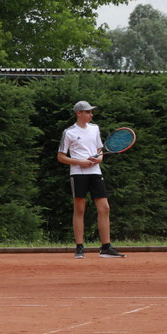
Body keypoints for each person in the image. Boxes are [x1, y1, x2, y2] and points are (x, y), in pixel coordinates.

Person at [57, 100, 122, 258]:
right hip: (78, 174)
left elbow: (99, 150)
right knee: (80, 209)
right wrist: (80, 162)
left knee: (104, 208)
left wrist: (99, 158)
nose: (91, 114)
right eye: (87, 112)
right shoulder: (69, 132)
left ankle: (106, 247)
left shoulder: (95, 128)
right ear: (79, 113)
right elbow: (61, 157)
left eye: (91, 112)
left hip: (95, 172)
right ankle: (79, 247)